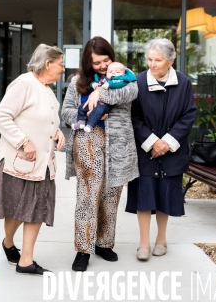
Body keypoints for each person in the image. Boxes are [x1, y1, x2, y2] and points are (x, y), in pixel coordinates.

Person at [61, 36, 139, 272]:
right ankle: (83, 249)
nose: (104, 66)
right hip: (87, 141)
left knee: (110, 196)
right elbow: (64, 112)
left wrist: (99, 94)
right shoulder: (77, 81)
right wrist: (84, 110)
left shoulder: (124, 75)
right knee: (87, 196)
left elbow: (129, 94)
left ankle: (104, 243)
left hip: (117, 145)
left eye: (106, 60)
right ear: (88, 63)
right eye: (97, 63)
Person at [0, 43, 66, 276]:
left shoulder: (48, 90)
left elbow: (49, 120)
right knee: (17, 210)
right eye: (60, 64)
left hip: (42, 164)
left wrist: (58, 131)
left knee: (36, 210)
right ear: (48, 64)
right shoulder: (24, 83)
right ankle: (9, 243)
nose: (63, 69)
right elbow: (1, 116)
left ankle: (26, 260)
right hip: (20, 161)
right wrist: (23, 141)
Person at [126, 38, 197, 261]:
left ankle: (161, 239)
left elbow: (189, 115)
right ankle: (144, 243)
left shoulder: (184, 83)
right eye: (150, 59)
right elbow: (133, 117)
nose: (153, 64)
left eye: (158, 60)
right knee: (144, 196)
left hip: (172, 153)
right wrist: (152, 142)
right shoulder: (137, 82)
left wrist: (166, 143)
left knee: (165, 195)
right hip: (145, 151)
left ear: (170, 61)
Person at [72, 62, 137, 133]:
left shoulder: (122, 79)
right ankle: (81, 121)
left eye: (117, 72)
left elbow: (121, 85)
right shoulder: (102, 78)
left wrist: (104, 88)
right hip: (83, 140)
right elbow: (66, 110)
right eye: (110, 72)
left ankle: (90, 125)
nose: (113, 73)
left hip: (103, 105)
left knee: (98, 111)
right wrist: (93, 84)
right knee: (82, 107)